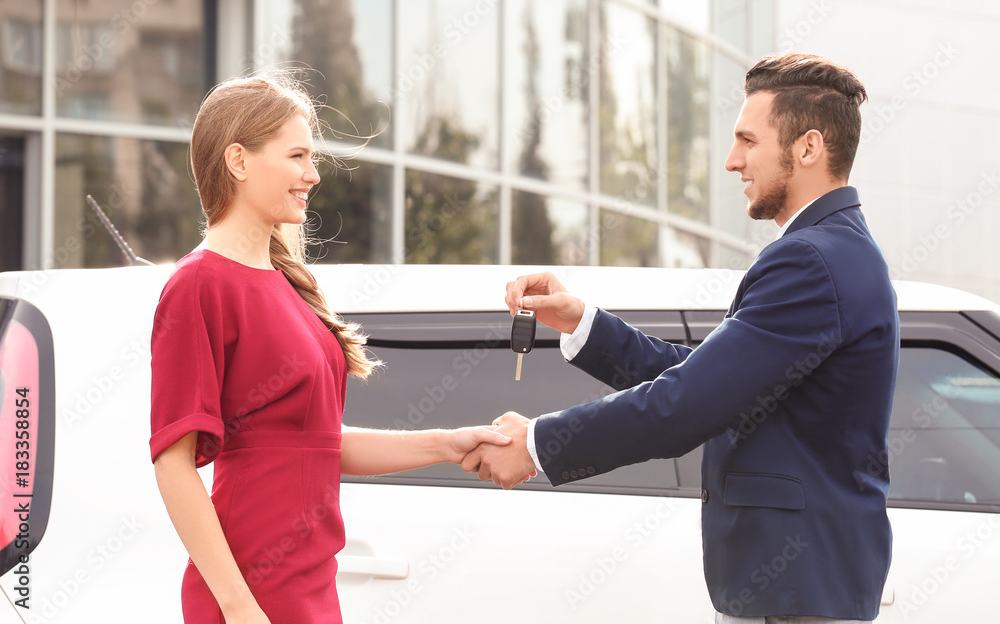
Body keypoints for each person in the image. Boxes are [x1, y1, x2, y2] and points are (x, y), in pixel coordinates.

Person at [463, 53, 899, 623]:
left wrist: (538, 443)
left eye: (748, 140)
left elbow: (688, 403)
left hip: (795, 594)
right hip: (794, 591)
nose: (732, 160)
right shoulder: (834, 251)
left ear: (808, 147)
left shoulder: (812, 260)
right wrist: (584, 324)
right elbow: (714, 382)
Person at [150, 72, 511, 624]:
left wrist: (445, 443)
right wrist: (239, 607)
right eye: (297, 156)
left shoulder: (287, 284)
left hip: (310, 585)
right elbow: (172, 463)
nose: (313, 174)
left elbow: (318, 444)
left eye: (311, 157)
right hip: (250, 595)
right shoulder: (198, 284)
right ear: (238, 161)